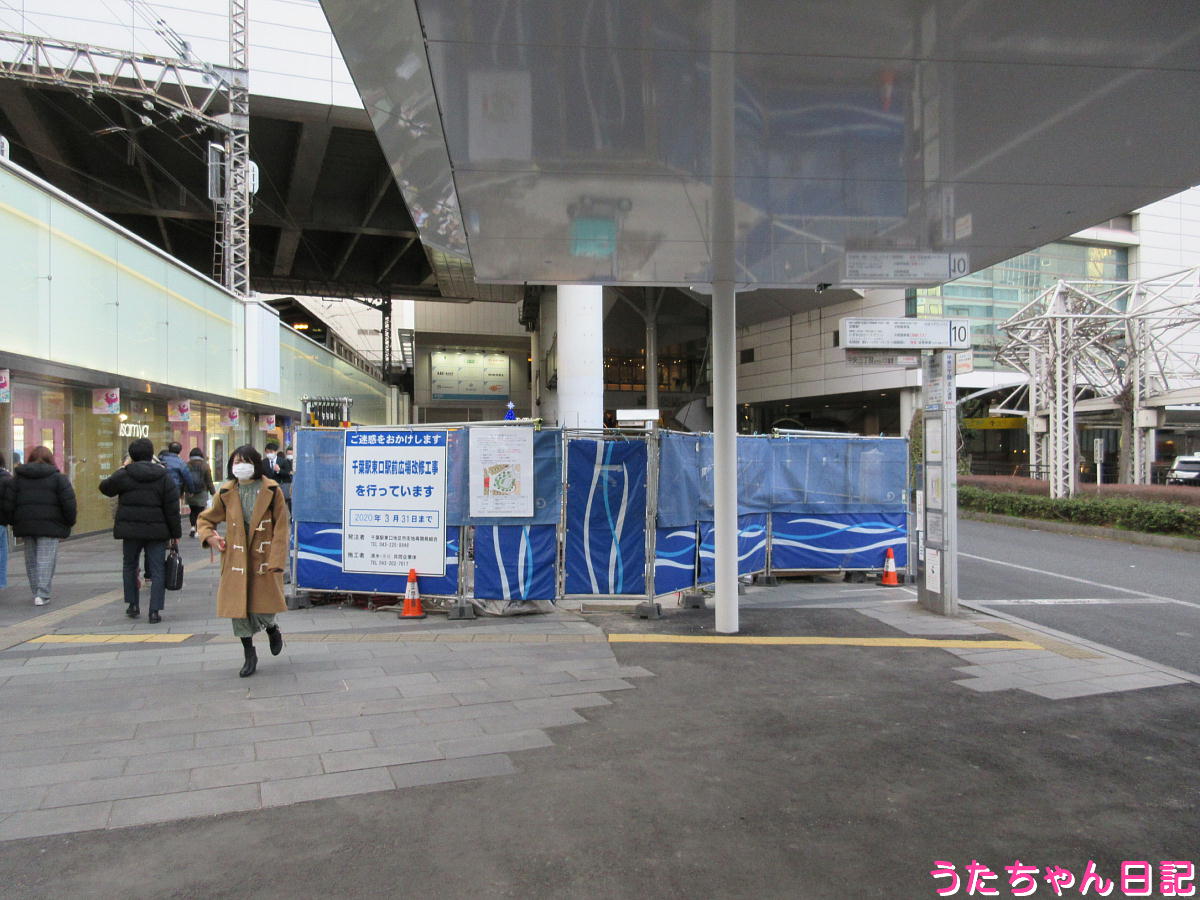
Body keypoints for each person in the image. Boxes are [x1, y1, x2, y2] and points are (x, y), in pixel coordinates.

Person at [197, 444, 290, 677]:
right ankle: (249, 653)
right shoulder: (226, 492)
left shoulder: (272, 490)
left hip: (263, 557)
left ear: (255, 463)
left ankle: (272, 629)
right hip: (236, 558)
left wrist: (277, 559)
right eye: (237, 461)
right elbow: (206, 519)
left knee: (263, 606)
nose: (241, 466)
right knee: (238, 609)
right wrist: (211, 538)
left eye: (245, 461)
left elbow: (281, 526)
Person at [99, 438, 182, 624]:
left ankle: (132, 604)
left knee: (130, 566)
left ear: (131, 455)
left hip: (131, 531)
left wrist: (123, 468)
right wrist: (175, 534)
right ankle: (154, 611)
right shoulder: (163, 476)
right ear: (151, 454)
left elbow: (105, 488)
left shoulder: (124, 474)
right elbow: (172, 508)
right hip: (157, 531)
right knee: (157, 569)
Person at [0, 446, 77, 606]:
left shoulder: (18, 478)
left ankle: (36, 591)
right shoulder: (58, 478)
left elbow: (8, 504)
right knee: (46, 559)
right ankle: (42, 594)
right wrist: (69, 522)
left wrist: (14, 521)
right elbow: (69, 503)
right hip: (51, 525)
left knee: (31, 560)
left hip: (26, 525)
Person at [185, 448, 217, 538]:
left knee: (192, 511)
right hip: (202, 492)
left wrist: (183, 491)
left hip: (190, 493)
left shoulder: (186, 465)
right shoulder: (205, 466)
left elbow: (184, 480)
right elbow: (209, 481)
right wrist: (213, 493)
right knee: (200, 512)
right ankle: (198, 530)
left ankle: (192, 528)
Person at [0, 452, 12, 592]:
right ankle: (1, 582)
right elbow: (9, 503)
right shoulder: (6, 478)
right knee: (2, 552)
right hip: (1, 522)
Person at [275, 444, 294, 509]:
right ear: (286, 454)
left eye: (291, 454)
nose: (290, 455)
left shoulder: (296, 462)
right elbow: (280, 472)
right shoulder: (283, 462)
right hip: (287, 483)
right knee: (288, 500)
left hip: (295, 484)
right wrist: (288, 472)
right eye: (288, 454)